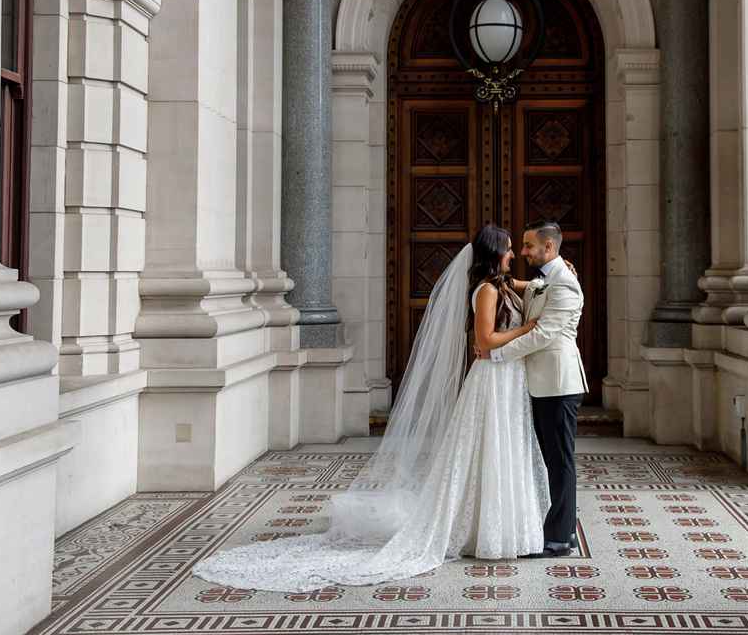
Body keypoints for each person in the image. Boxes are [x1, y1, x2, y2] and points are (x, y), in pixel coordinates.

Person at [191, 225, 550, 592]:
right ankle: (480, 530)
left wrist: (555, 273)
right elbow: (485, 341)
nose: (513, 255)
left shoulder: (505, 285)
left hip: (508, 380)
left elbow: (536, 286)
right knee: (485, 449)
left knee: (503, 450)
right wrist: (529, 329)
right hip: (491, 379)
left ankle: (499, 527)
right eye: (508, 249)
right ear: (494, 254)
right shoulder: (487, 291)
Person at [478, 220, 587, 558]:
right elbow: (521, 285)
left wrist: (495, 353)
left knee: (561, 461)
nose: (522, 252)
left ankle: (558, 538)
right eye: (518, 247)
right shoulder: (548, 279)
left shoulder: (565, 284)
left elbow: (542, 335)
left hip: (558, 382)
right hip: (541, 383)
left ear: (549, 248)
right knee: (550, 458)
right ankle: (562, 528)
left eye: (528, 246)